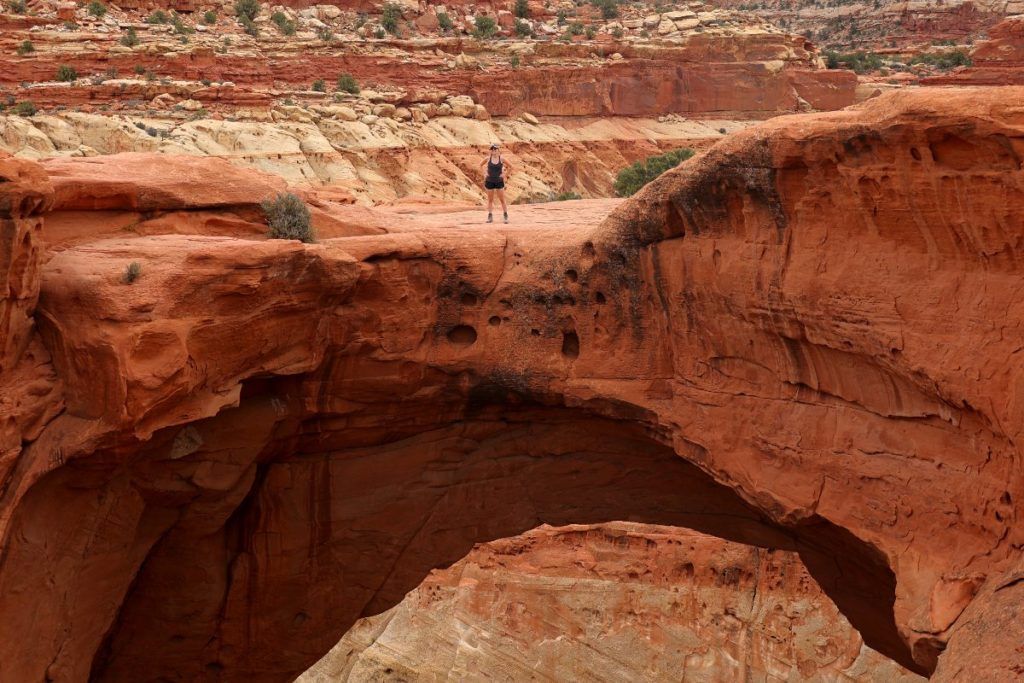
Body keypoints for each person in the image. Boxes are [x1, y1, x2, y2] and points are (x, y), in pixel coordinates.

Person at [480, 142, 511, 223]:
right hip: (489, 181)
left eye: (495, 149)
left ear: (498, 150)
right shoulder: (487, 159)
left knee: (502, 200)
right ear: (491, 151)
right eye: (492, 149)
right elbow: (480, 165)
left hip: (499, 182)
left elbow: (511, 167)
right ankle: (490, 217)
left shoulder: (502, 159)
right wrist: (484, 173)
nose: (494, 151)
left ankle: (505, 216)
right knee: (490, 200)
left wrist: (505, 175)